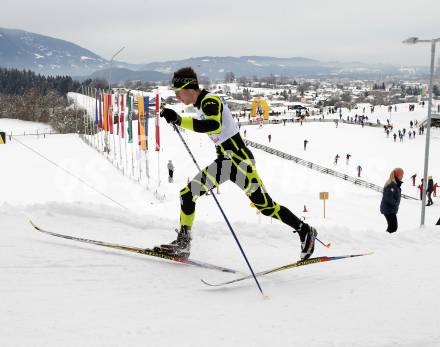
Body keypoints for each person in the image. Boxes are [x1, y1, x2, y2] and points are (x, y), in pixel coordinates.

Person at [158, 67, 317, 260]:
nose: (177, 97)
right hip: (226, 162)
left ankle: (304, 230)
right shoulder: (201, 105)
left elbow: (213, 125)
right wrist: (178, 119)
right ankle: (183, 244)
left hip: (238, 161)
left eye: (178, 92)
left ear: (189, 88)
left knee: (265, 207)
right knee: (188, 195)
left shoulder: (210, 101)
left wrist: (179, 119)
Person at [380, 168, 403, 233]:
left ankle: (386, 239)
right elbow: (388, 197)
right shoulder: (391, 184)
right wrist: (396, 203)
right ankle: (384, 239)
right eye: (401, 175)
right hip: (388, 209)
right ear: (397, 175)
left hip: (390, 209)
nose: (402, 176)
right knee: (393, 227)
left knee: (392, 227)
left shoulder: (395, 184)